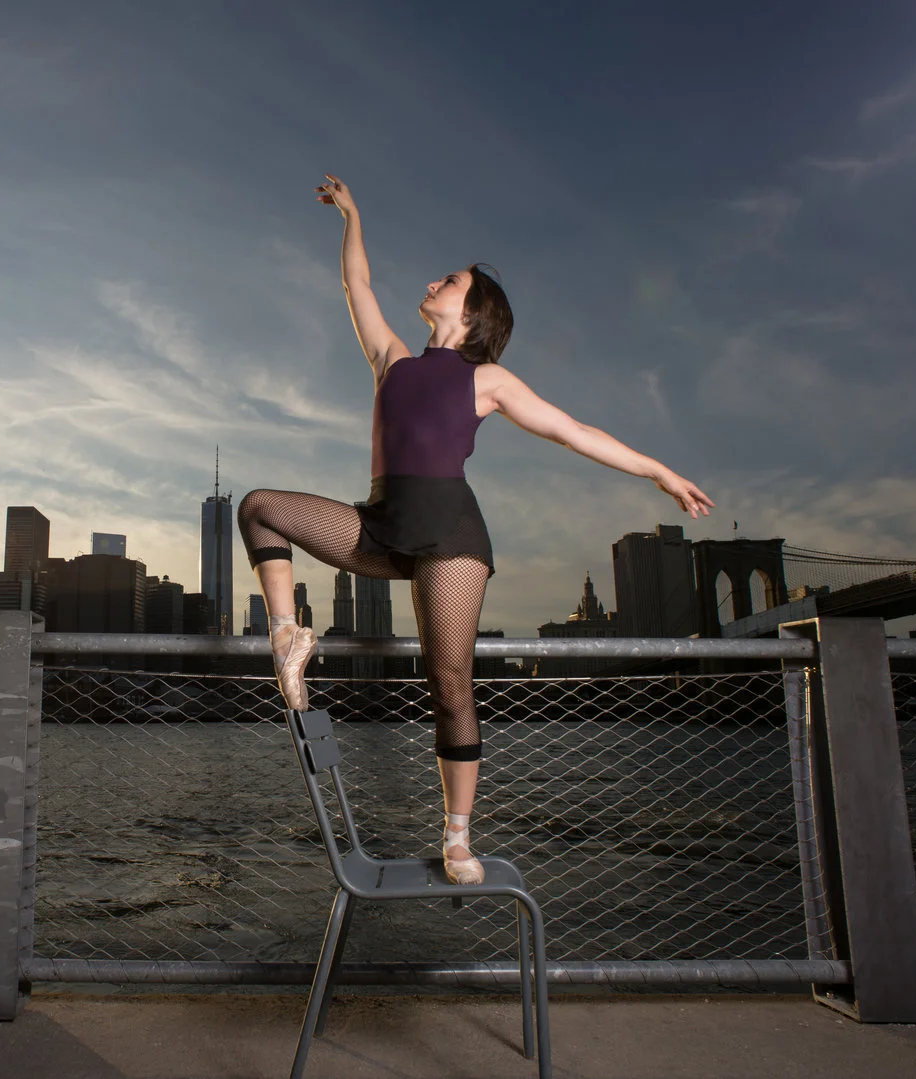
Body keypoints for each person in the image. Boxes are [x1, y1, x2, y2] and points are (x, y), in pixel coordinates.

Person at [237, 174, 714, 884]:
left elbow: (573, 431)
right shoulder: (392, 359)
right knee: (257, 506)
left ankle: (457, 838)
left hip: (452, 539)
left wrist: (657, 471)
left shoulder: (487, 378)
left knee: (450, 679)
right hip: (380, 526)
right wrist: (352, 214)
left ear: (473, 312)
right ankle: (287, 632)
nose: (435, 280)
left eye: (451, 279)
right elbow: (356, 284)